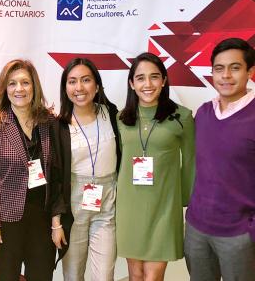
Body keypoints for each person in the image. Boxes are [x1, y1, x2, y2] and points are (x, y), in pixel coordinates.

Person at [116, 52, 195, 281]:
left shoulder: (183, 116)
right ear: (132, 83)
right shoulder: (122, 118)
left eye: (154, 77)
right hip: (130, 205)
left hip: (164, 206)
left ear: (164, 80)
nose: (147, 84)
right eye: (140, 78)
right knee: (135, 274)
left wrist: (185, 201)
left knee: (153, 276)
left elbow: (190, 162)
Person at [0, 59, 56, 280]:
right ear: (5, 88)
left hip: (42, 219)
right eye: (12, 83)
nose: (19, 89)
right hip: (7, 222)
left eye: (25, 83)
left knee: (42, 275)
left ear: (34, 86)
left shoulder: (48, 122)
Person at [185, 38, 255, 281]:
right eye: (219, 68)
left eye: (235, 68)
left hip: (238, 235)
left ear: (250, 72)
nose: (225, 75)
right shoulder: (203, 113)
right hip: (197, 230)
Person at [51, 58, 121, 281]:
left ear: (97, 85)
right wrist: (56, 223)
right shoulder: (59, 125)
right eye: (72, 81)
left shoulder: (110, 113)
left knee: (105, 275)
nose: (79, 88)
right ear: (65, 88)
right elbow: (54, 177)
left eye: (86, 80)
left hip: (107, 204)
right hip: (74, 206)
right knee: (73, 275)